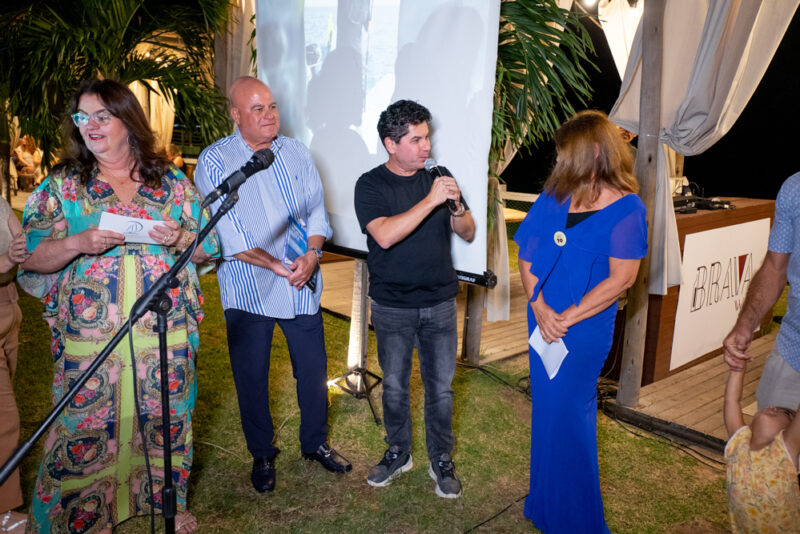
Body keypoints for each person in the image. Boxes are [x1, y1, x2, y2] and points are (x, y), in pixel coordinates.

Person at [18, 79, 219, 534]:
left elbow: (209, 247)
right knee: (85, 419)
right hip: (92, 339)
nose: (90, 126)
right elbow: (30, 255)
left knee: (163, 414)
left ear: (128, 121)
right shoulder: (64, 186)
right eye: (82, 117)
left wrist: (182, 238)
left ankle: (162, 502)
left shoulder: (170, 183)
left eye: (101, 116)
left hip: (162, 334)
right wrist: (76, 242)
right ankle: (81, 511)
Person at [193, 76, 351, 494]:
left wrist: (313, 255)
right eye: (258, 109)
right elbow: (230, 235)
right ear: (235, 114)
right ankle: (262, 452)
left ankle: (315, 443)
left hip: (301, 281)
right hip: (249, 288)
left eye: (273, 107)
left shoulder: (295, 151)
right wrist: (279, 267)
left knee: (313, 370)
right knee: (252, 375)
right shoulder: (214, 161)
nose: (269, 116)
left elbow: (317, 211)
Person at [514, 110, 647, 532]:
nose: (557, 162)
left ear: (592, 152)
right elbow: (527, 253)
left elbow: (622, 279)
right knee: (547, 413)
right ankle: (545, 503)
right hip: (542, 321)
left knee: (571, 416)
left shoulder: (628, 209)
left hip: (582, 331)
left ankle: (577, 520)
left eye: (562, 153)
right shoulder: (556, 194)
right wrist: (538, 305)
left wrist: (565, 318)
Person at [354, 100, 475, 498]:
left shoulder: (439, 176)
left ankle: (441, 458)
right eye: (416, 139)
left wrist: (456, 205)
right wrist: (431, 200)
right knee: (394, 386)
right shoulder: (370, 185)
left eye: (428, 137)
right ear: (391, 144)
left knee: (440, 389)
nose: (426, 147)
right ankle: (398, 451)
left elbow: (469, 232)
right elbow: (385, 235)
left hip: (440, 300)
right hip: (392, 305)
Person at [723, 171, 800, 414]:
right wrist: (745, 324)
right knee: (767, 445)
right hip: (793, 348)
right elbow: (775, 267)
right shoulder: (795, 187)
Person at [723, 363, 800, 532]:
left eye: (786, 413)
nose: (772, 406)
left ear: (789, 431)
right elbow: (732, 400)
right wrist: (737, 368)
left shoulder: (785, 451)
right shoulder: (739, 441)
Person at [0, 195, 30, 533]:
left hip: (9, 305)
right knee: (5, 417)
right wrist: (8, 259)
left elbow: (22, 239)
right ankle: (4, 513)